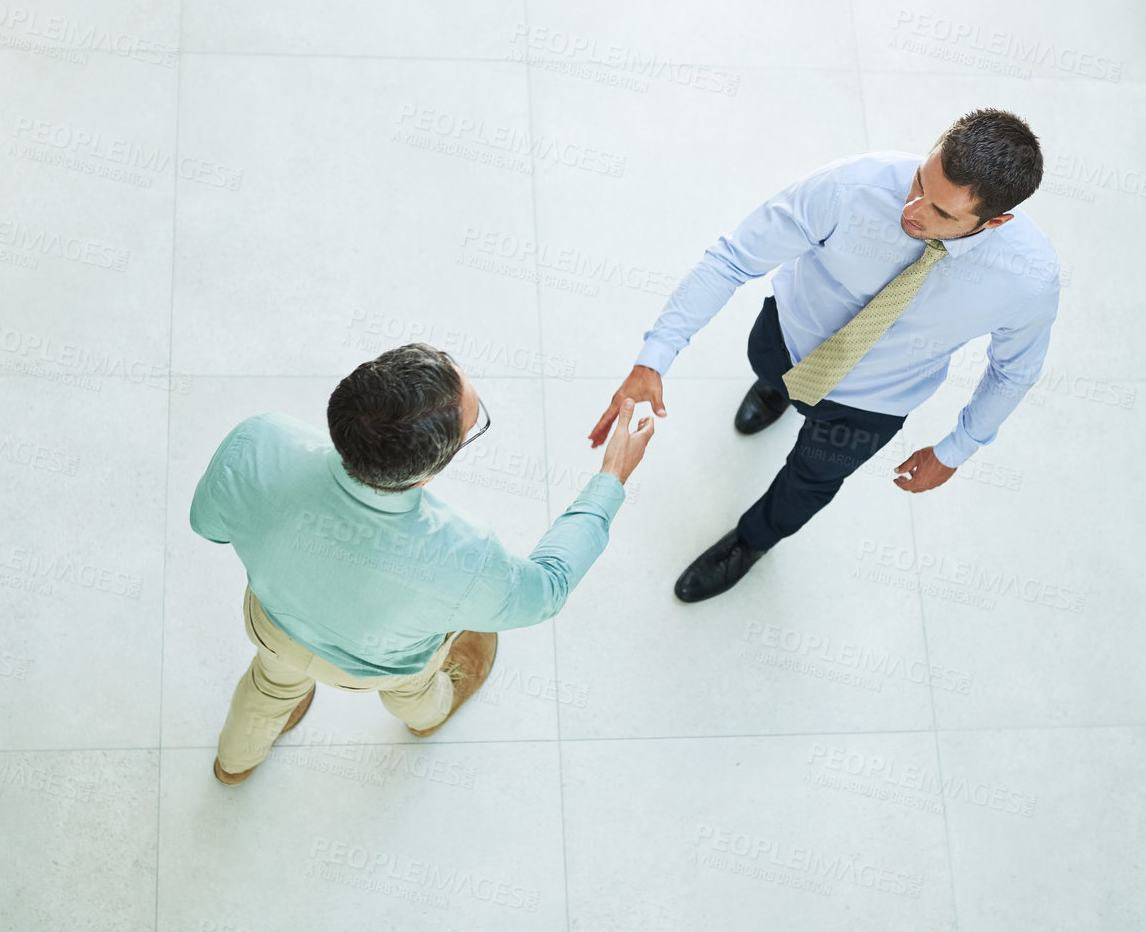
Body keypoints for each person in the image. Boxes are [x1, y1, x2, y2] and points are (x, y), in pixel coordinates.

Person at [589, 107, 1058, 602]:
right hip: (785, 338)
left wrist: (957, 448)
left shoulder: (1028, 281)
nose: (912, 211)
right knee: (768, 369)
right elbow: (731, 260)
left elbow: (1012, 372)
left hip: (870, 404)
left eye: (942, 213)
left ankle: (751, 542)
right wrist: (654, 357)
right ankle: (774, 392)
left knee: (808, 482)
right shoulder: (850, 187)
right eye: (919, 181)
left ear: (996, 220)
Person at [192, 343, 655, 784]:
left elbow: (207, 525)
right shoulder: (464, 554)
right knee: (416, 692)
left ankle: (234, 764)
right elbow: (548, 588)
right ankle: (428, 719)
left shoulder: (259, 440)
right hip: (378, 665)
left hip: (273, 628)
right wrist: (611, 477)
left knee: (269, 686)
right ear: (429, 470)